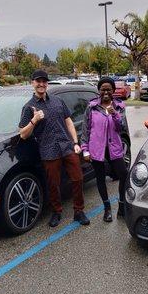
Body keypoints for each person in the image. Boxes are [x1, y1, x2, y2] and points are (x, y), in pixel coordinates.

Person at [19, 69, 90, 228]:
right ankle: (56, 212)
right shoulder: (28, 107)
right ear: (33, 83)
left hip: (67, 146)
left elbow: (69, 121)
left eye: (44, 81)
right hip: (48, 150)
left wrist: (75, 142)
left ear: (47, 83)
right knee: (53, 184)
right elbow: (23, 134)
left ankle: (79, 211)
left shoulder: (58, 101)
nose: (41, 84)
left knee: (78, 178)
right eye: (38, 81)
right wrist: (34, 120)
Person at [81, 77, 128, 222]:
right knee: (100, 178)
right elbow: (85, 130)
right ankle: (107, 208)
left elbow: (122, 128)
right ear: (99, 91)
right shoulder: (91, 107)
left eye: (109, 89)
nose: (106, 92)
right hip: (97, 149)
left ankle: (121, 205)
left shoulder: (120, 106)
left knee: (124, 175)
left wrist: (114, 113)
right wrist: (85, 149)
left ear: (113, 91)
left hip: (114, 148)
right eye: (103, 89)